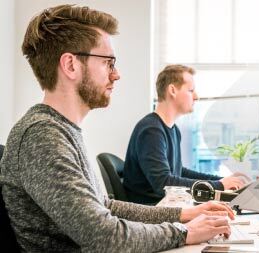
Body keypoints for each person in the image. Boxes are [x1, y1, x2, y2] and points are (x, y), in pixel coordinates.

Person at [0, 5, 234, 252]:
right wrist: (185, 232)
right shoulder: (42, 136)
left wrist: (184, 214)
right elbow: (104, 236)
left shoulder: (61, 130)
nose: (117, 74)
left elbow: (105, 207)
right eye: (108, 63)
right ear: (70, 65)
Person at [123, 65, 249, 205]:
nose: (196, 97)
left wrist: (220, 181)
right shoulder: (151, 131)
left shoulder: (172, 130)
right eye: (191, 90)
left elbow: (179, 172)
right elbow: (164, 184)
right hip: (152, 212)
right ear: (172, 90)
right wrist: (219, 186)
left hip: (167, 206)